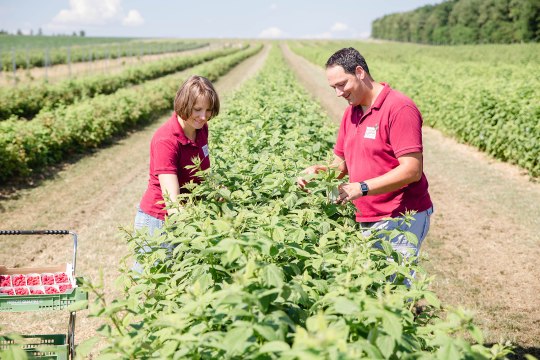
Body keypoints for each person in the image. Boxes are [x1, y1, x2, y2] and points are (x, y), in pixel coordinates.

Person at [298, 47, 433, 273]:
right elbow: (340, 166)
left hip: (400, 217)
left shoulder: (399, 108)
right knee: (375, 288)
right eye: (333, 88)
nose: (338, 93)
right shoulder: (351, 112)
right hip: (366, 215)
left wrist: (362, 187)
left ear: (360, 72)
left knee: (397, 289)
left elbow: (412, 170)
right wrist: (317, 172)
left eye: (342, 84)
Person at [133, 75, 219, 268]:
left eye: (208, 110)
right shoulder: (166, 140)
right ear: (183, 104)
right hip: (159, 223)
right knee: (152, 285)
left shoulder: (201, 128)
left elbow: (202, 171)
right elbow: (172, 203)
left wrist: (216, 190)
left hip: (186, 216)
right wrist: (203, 231)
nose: (204, 117)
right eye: (197, 110)